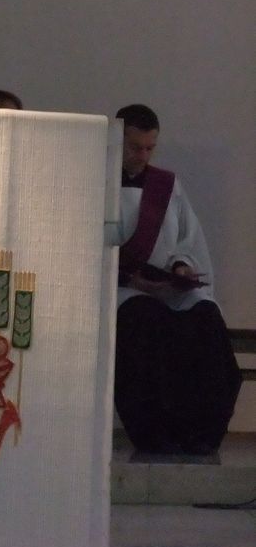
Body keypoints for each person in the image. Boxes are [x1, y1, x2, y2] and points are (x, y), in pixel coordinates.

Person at [113, 104, 241, 456]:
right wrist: (135, 281)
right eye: (135, 146)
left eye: (149, 148)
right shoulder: (95, 182)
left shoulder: (166, 186)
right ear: (115, 138)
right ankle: (156, 434)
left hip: (166, 286)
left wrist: (183, 268)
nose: (142, 155)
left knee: (206, 321)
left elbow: (186, 240)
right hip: (122, 289)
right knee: (146, 321)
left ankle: (202, 434)